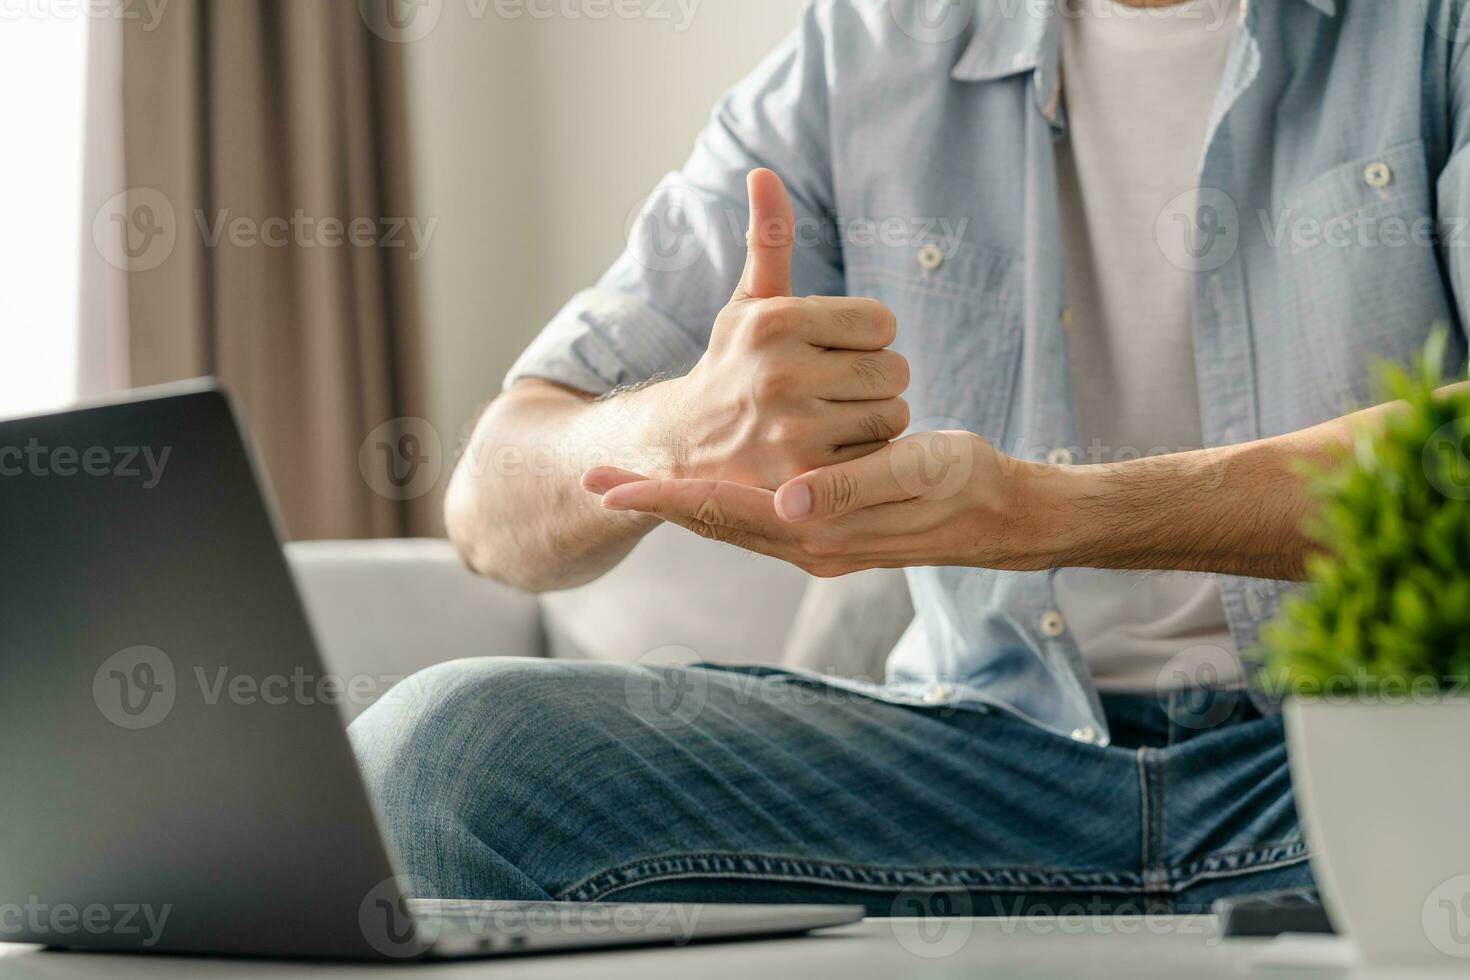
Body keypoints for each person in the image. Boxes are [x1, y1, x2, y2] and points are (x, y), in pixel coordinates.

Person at [349, 0, 1470, 915]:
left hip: (1375, 760)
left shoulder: (1431, 29)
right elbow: (491, 500)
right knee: (444, 758)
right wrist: (679, 422)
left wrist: (1047, 513)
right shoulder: (865, 54)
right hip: (973, 772)